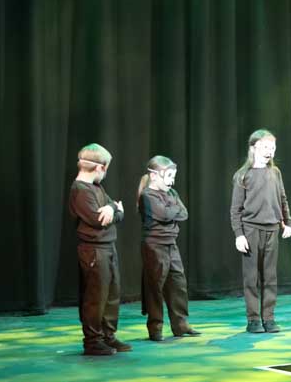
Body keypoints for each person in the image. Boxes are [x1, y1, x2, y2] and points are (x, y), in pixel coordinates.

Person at [68, 143, 131, 356]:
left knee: (111, 294)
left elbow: (119, 211)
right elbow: (98, 220)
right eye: (106, 169)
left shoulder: (97, 188)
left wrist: (112, 208)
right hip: (93, 251)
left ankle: (108, 336)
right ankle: (93, 341)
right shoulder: (80, 190)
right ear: (100, 168)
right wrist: (114, 210)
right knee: (96, 297)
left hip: (107, 247)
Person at [230, 129, 291, 334]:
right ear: (254, 148)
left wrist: (286, 222)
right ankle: (253, 319)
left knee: (270, 277)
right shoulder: (243, 175)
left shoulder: (275, 173)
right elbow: (235, 209)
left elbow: (282, 199)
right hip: (251, 230)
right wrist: (239, 235)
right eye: (266, 147)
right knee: (251, 278)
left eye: (273, 148)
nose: (270, 151)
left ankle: (269, 318)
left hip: (272, 229)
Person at [138, 156, 200, 341]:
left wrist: (171, 209)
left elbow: (184, 213)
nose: (172, 181)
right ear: (154, 176)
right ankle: (155, 327)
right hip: (154, 245)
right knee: (155, 286)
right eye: (169, 176)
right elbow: (165, 215)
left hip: (171, 243)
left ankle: (180, 325)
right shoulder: (147, 195)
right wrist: (172, 209)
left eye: (174, 176)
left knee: (178, 284)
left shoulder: (172, 193)